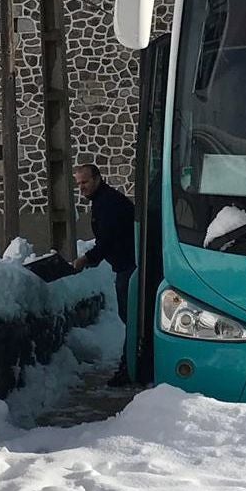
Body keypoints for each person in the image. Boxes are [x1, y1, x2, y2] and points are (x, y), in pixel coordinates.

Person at [71, 163, 135, 386]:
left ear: (98, 178)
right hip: (125, 265)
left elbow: (108, 240)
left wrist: (87, 259)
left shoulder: (108, 204)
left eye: (85, 182)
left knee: (132, 320)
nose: (82, 188)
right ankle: (131, 366)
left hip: (130, 267)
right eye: (78, 184)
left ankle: (129, 370)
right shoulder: (104, 201)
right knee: (130, 319)